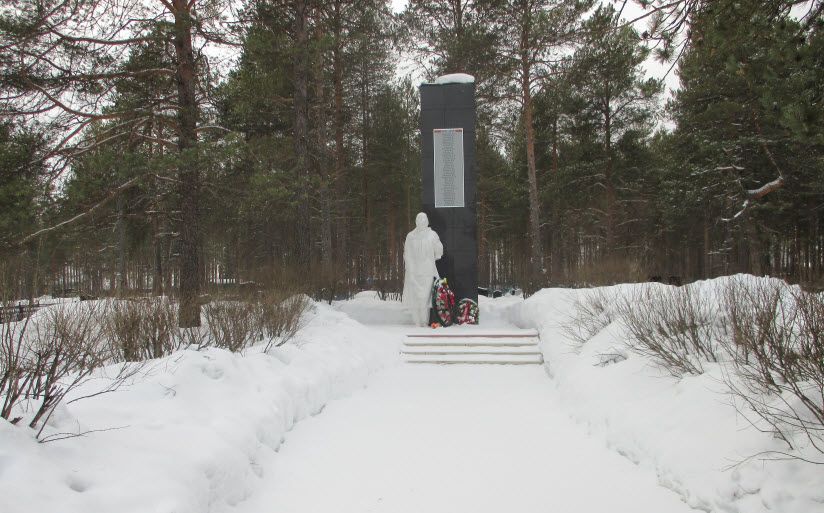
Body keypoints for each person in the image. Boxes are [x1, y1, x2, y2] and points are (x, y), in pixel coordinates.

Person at [402, 212, 444, 326]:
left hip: (428, 270)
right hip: (414, 271)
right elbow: (407, 254)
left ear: (427, 221)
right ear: (416, 221)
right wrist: (410, 268)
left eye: (423, 219)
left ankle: (424, 321)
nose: (421, 221)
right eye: (419, 219)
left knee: (426, 298)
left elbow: (439, 249)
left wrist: (437, 250)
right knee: (415, 297)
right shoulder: (410, 236)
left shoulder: (432, 235)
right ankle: (417, 322)